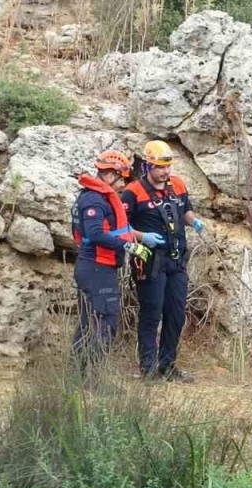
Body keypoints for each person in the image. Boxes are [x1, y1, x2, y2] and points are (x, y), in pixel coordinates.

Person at [121, 140, 204, 383]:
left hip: (176, 259)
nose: (165, 172)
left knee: (176, 313)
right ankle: (148, 368)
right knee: (151, 312)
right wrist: (141, 236)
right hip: (150, 261)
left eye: (167, 166)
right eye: (159, 167)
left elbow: (185, 209)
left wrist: (194, 221)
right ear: (147, 166)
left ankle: (167, 365)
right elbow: (121, 225)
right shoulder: (133, 191)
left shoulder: (177, 184)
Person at [70, 149, 153, 378]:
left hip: (97, 267)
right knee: (104, 323)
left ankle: (77, 378)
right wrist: (130, 246)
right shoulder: (93, 200)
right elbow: (95, 234)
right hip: (96, 268)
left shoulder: (95, 197)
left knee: (89, 324)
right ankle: (92, 379)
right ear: (108, 175)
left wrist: (138, 239)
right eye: (121, 179)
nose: (122, 185)